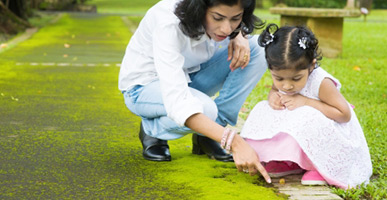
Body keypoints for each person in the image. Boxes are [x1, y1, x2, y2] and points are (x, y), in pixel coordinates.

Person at [118, 0, 271, 183]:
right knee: (206, 109)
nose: (226, 28)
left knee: (258, 48)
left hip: (188, 76)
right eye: (218, 18)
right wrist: (235, 143)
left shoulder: (228, 26)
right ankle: (153, 129)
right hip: (143, 87)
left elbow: (233, 25)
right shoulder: (168, 23)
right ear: (200, 8)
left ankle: (208, 135)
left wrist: (239, 34)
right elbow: (178, 102)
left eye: (235, 18)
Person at [240, 23, 373, 189]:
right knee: (263, 108)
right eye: (279, 79)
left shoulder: (321, 82)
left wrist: (306, 102)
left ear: (311, 65)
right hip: (304, 126)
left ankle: (318, 167)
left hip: (333, 133)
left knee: (307, 115)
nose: (287, 86)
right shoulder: (284, 76)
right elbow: (276, 90)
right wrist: (273, 96)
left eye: (296, 79)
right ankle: (289, 161)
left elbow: (344, 114)